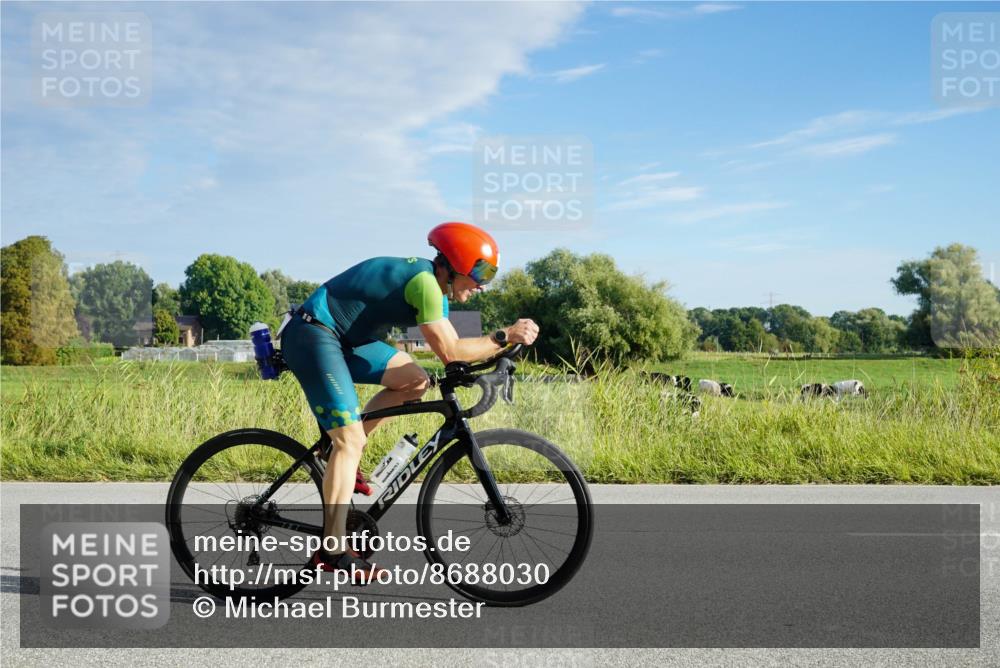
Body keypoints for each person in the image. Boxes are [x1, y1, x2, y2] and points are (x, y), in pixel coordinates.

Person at [281, 221, 539, 583]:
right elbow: (451, 351)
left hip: (349, 340)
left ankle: (339, 451)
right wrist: (504, 336)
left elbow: (455, 355)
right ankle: (331, 550)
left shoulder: (434, 286)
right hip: (314, 333)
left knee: (415, 381)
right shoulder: (425, 284)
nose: (482, 285)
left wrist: (493, 356)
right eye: (479, 273)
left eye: (489, 275)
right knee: (349, 440)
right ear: (454, 264)